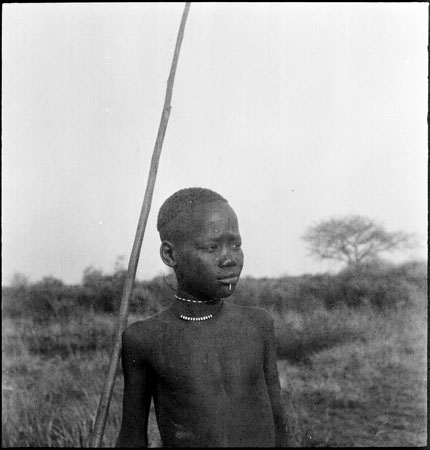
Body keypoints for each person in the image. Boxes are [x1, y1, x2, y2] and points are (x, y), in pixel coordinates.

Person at [116, 187, 290, 447]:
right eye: (211, 247)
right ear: (170, 255)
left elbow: (279, 423)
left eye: (235, 244)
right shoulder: (144, 339)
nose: (229, 259)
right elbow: (132, 437)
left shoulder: (257, 324)